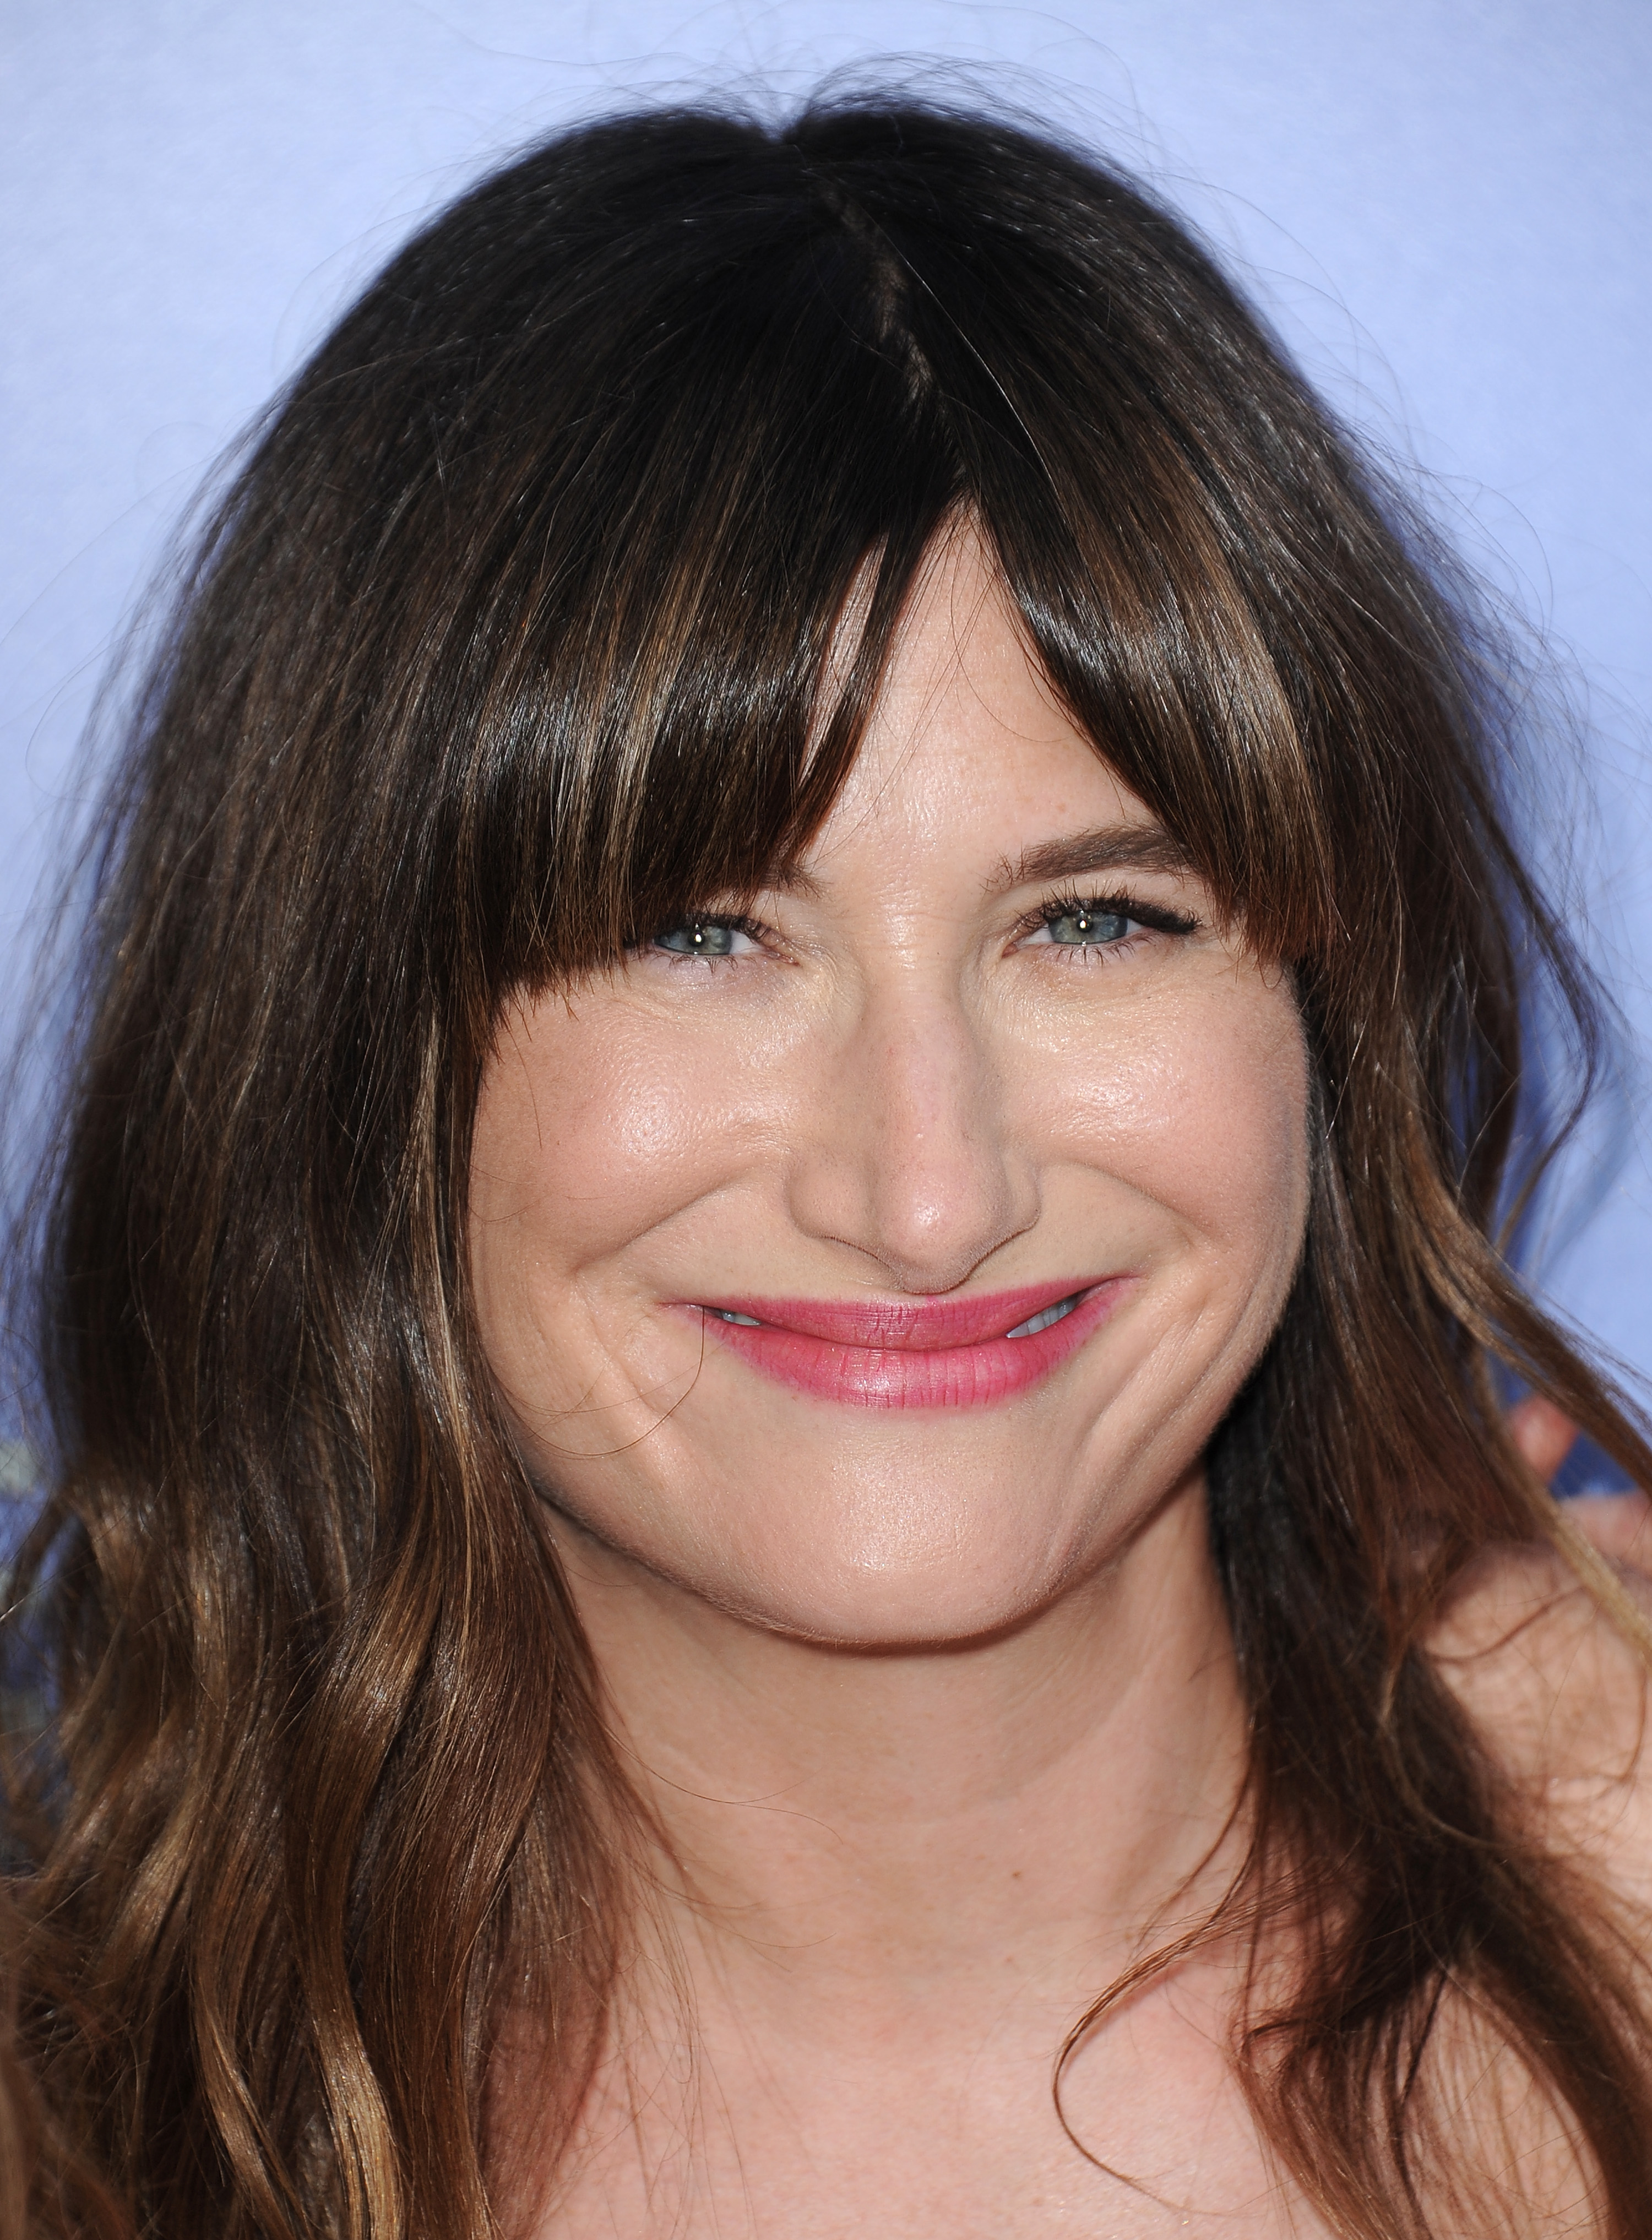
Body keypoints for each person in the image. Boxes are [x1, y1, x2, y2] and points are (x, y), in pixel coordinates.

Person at [2, 93, 1650, 2240]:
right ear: (346, 1045)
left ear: (1330, 1023)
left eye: (1097, 919)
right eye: (703, 935)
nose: (928, 1194)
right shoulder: (72, 2099)